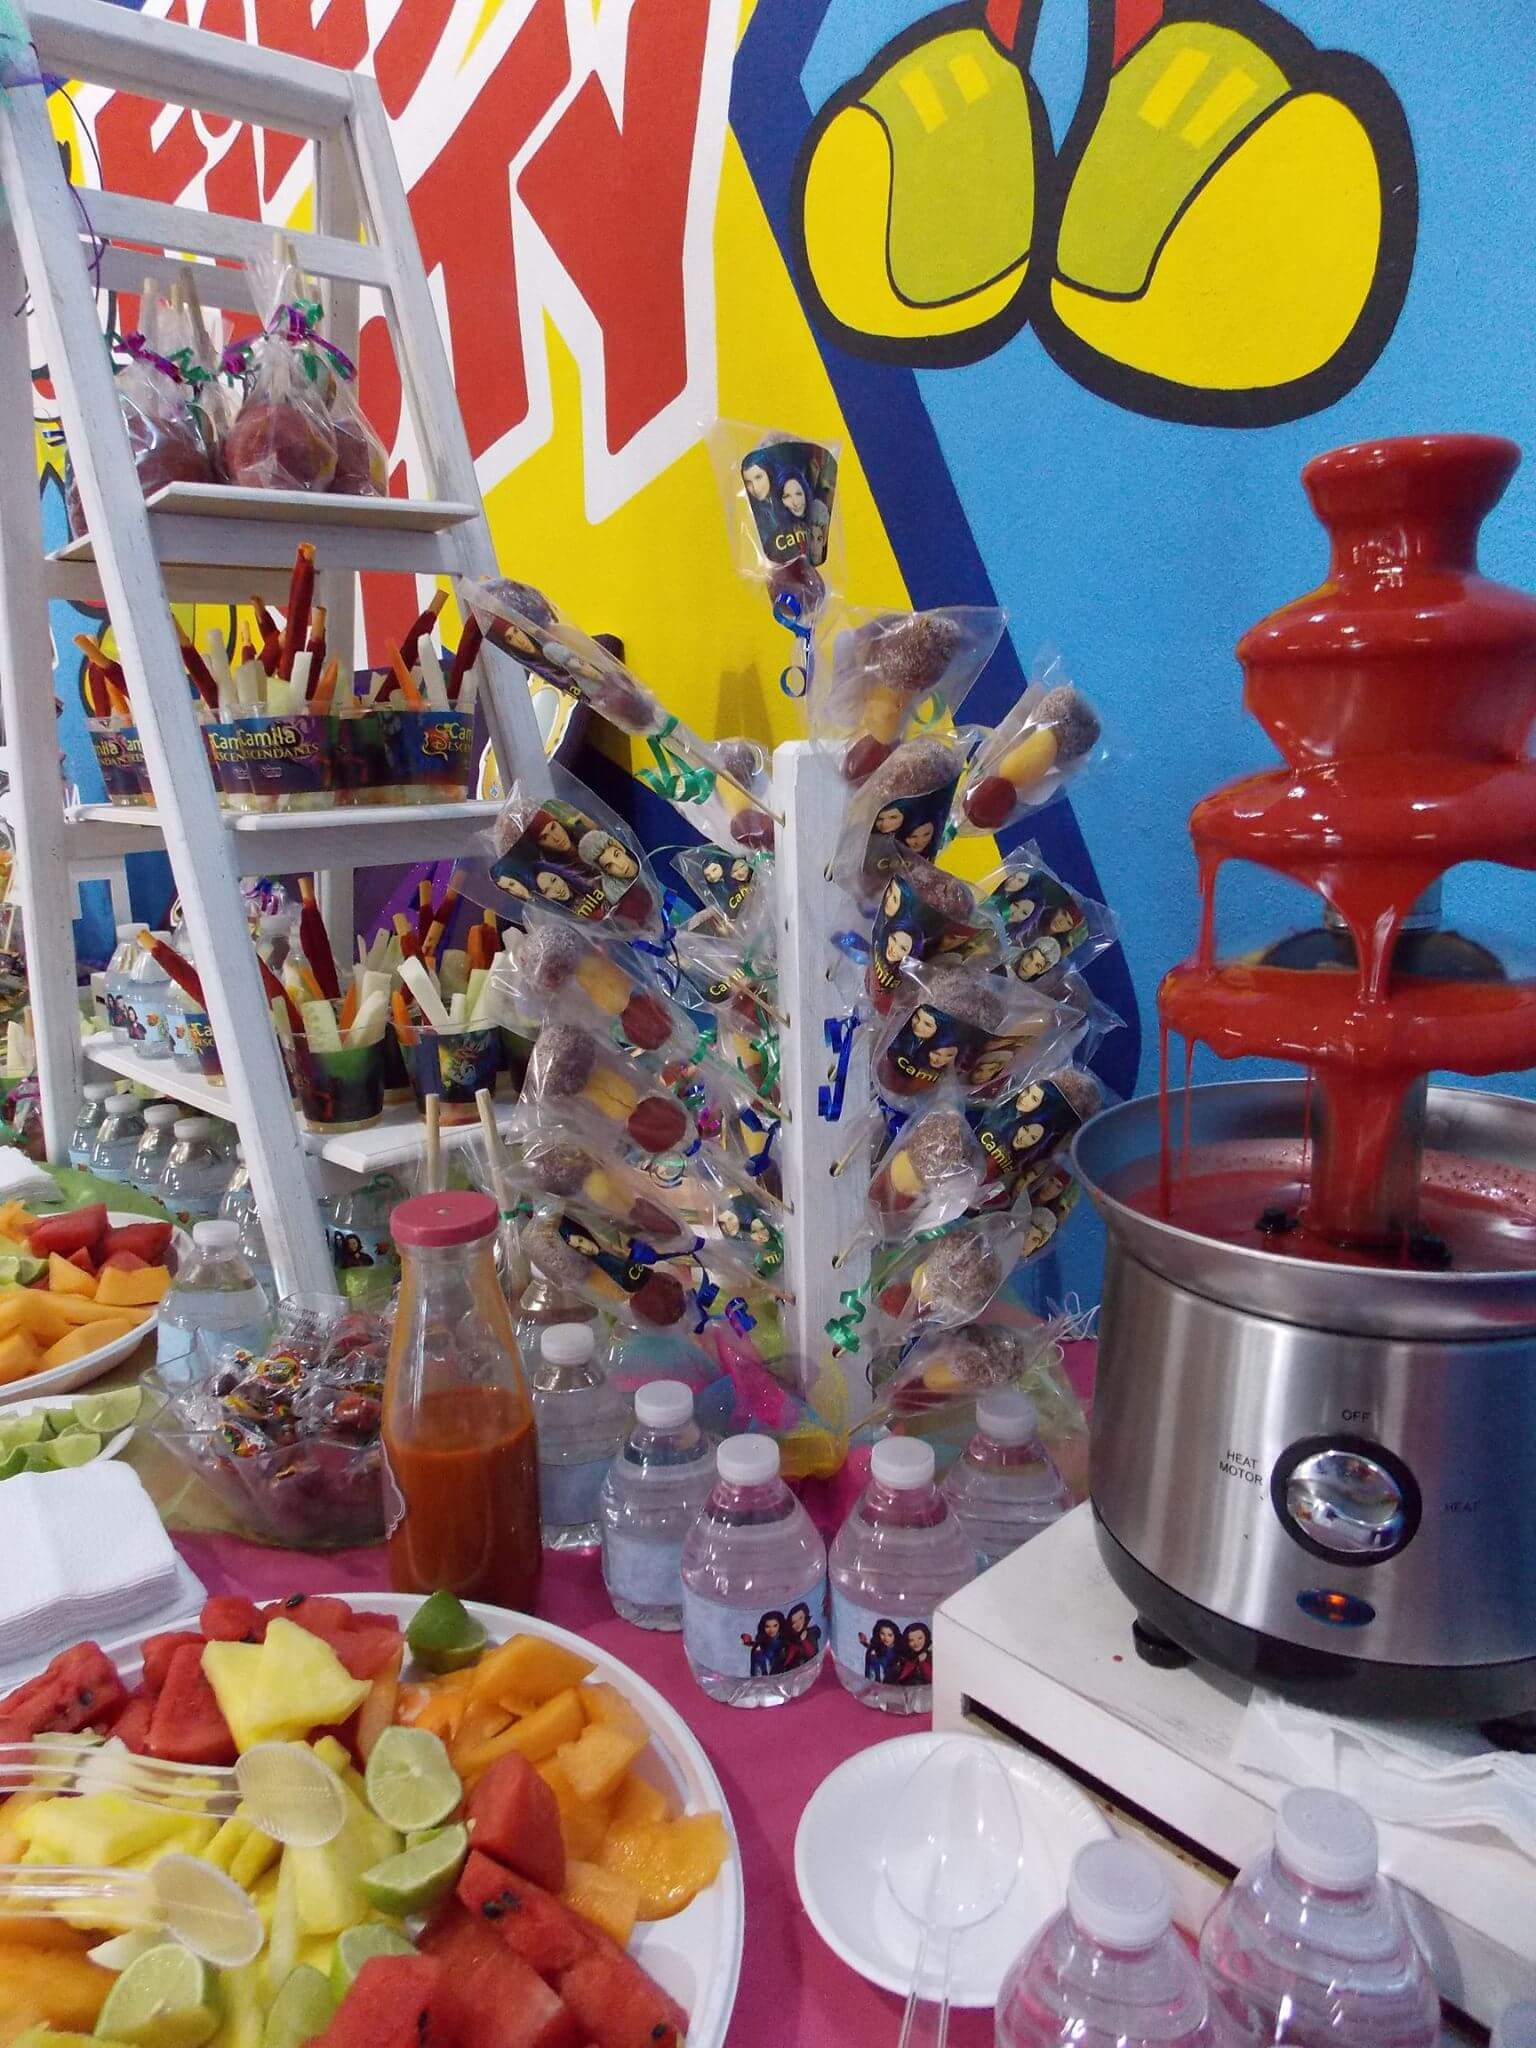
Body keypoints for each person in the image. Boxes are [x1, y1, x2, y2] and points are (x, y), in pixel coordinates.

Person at [742, 1610, 787, 1677]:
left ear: (780, 1625)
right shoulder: (761, 1643)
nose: (771, 1630)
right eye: (767, 1626)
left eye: (775, 1626)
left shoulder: (783, 1641)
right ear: (763, 1627)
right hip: (764, 1676)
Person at [783, 1600, 823, 1669]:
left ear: (805, 1617)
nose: (798, 1624)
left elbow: (813, 1654)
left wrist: (804, 1641)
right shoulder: (790, 1636)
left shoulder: (811, 1632)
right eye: (794, 1622)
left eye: (800, 1618)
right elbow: (787, 1658)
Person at [860, 1618, 901, 1682]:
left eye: (890, 1635)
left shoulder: (897, 1649)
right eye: (882, 1634)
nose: (885, 1638)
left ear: (895, 1635)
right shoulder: (876, 1648)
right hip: (875, 1679)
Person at [895, 1621, 933, 1686]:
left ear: (926, 1637)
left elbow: (931, 1679)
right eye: (911, 1640)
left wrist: (922, 1662)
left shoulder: (931, 1656)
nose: (916, 1643)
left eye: (920, 1638)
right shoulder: (905, 1657)